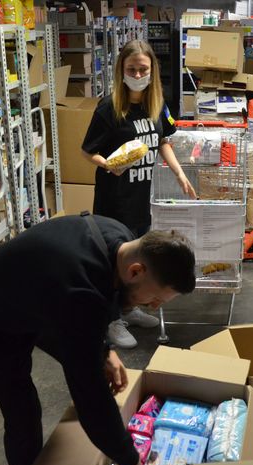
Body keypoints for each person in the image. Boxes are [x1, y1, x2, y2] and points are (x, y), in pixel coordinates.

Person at [0, 213, 196, 465]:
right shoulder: (80, 293)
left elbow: (107, 296)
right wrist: (130, 462)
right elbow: (90, 398)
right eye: (154, 299)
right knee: (23, 410)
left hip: (38, 296)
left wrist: (105, 351)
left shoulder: (123, 240)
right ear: (136, 271)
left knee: (88, 359)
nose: (153, 306)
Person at [82, 39, 197, 349]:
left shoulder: (156, 103)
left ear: (152, 71)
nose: (137, 74)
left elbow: (164, 141)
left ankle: (128, 310)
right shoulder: (110, 107)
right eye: (131, 69)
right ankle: (112, 320)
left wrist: (179, 172)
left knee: (139, 260)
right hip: (114, 200)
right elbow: (87, 150)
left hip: (139, 199)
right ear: (122, 70)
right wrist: (107, 164)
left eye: (142, 69)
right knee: (114, 264)